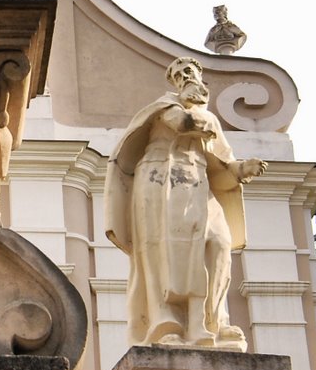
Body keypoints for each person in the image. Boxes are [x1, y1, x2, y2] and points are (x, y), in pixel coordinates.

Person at [105, 58, 266, 349]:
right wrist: (194, 107)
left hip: (198, 182)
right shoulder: (165, 107)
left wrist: (243, 169)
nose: (185, 76)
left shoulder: (209, 117)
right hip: (158, 179)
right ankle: (166, 324)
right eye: (179, 74)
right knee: (163, 251)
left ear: (200, 75)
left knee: (218, 245)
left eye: (189, 71)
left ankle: (212, 321)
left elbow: (222, 163)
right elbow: (183, 123)